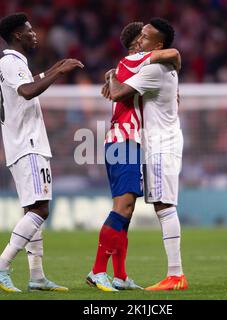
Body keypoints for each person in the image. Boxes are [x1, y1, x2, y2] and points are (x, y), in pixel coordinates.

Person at [0, 13, 83, 292]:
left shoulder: (17, 63)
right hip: (27, 144)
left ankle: (37, 277)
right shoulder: (9, 61)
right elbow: (28, 91)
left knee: (32, 209)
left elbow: (27, 84)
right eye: (29, 30)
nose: (35, 34)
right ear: (17, 35)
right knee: (41, 209)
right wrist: (57, 72)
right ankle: (0, 267)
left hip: (25, 144)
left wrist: (54, 68)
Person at [86, 21, 181, 291]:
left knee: (126, 213)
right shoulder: (134, 60)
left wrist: (111, 75)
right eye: (141, 37)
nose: (142, 40)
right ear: (136, 44)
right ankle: (96, 271)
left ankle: (120, 275)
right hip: (123, 141)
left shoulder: (129, 68)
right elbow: (174, 55)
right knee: (123, 208)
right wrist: (112, 77)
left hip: (127, 142)